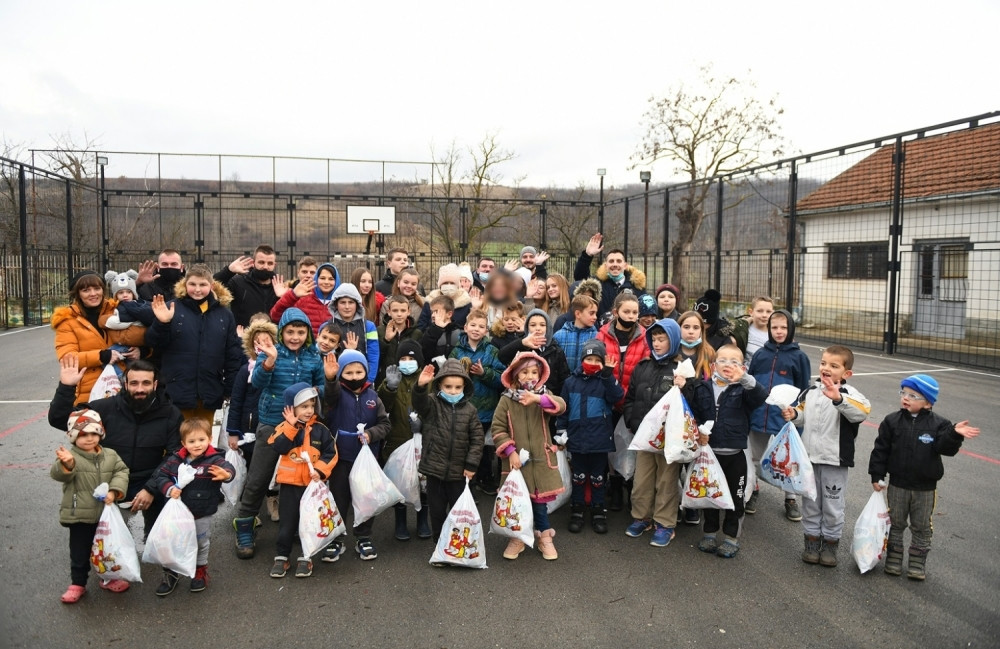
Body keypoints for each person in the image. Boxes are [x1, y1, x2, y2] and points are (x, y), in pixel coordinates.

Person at [49, 356, 182, 552]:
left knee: (162, 534)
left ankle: (154, 533)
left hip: (149, 478)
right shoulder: (104, 408)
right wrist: (66, 387)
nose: (139, 389)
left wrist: (151, 488)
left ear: (155, 384)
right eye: (134, 383)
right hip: (109, 480)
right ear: (125, 383)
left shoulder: (171, 413)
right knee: (106, 548)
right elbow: (60, 419)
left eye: (146, 383)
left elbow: (175, 455)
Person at [233, 307, 324, 559]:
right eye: (290, 331)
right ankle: (244, 526)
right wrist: (270, 361)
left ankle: (293, 526)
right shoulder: (271, 353)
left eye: (300, 331)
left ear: (307, 333)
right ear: (282, 332)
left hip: (302, 428)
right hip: (272, 424)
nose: (295, 337)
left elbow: (320, 388)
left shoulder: (313, 356)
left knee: (296, 480)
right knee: (258, 479)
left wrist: (315, 394)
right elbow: (257, 383)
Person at [869, 375, 979, 580]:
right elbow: (880, 450)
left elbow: (946, 449)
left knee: (921, 525)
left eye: (913, 395)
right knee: (896, 522)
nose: (906, 398)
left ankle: (917, 563)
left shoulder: (940, 424)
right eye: (903, 393)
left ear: (928, 402)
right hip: (898, 484)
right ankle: (893, 558)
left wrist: (954, 433)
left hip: (925, 488)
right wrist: (877, 474)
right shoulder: (892, 421)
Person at [624, 318, 712, 548]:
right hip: (645, 437)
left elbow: (692, 404)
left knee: (666, 481)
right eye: (654, 339)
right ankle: (642, 516)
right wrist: (632, 421)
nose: (657, 343)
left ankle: (665, 523)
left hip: (669, 439)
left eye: (662, 339)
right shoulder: (643, 366)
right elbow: (632, 398)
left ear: (672, 341)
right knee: (642, 480)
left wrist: (686, 385)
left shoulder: (682, 368)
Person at [782, 345, 871, 568]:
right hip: (810, 459)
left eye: (834, 365)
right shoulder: (810, 391)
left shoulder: (851, 395)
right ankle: (811, 542)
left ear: (846, 373)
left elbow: (861, 412)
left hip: (835, 461)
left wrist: (838, 398)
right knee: (811, 502)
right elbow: (802, 414)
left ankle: (830, 544)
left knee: (832, 506)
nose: (826, 368)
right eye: (823, 363)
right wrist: (794, 414)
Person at [491, 352, 567, 561]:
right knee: (517, 503)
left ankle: (544, 536)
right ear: (515, 375)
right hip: (516, 465)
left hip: (541, 462)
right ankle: (518, 537)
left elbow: (560, 406)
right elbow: (497, 428)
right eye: (524, 372)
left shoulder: (543, 396)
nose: (530, 376)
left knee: (539, 504)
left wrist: (538, 399)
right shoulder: (506, 400)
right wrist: (509, 451)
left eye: (534, 372)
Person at [146, 264, 244, 424]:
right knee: (176, 441)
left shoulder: (224, 314)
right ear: (185, 285)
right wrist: (162, 323)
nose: (197, 289)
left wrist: (230, 387)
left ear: (211, 286)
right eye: (192, 284)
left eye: (202, 285)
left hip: (209, 391)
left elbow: (232, 354)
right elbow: (155, 344)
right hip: (176, 389)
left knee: (203, 441)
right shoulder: (172, 308)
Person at [51, 409, 130, 604]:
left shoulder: (110, 455)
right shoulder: (70, 456)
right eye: (83, 434)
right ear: (72, 436)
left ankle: (108, 578)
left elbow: (122, 471)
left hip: (105, 515)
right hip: (80, 515)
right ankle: (78, 583)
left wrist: (114, 491)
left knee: (106, 550)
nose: (89, 438)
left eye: (94, 433)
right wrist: (67, 465)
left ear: (101, 433)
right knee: (80, 551)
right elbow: (58, 474)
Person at [149, 418, 234, 596]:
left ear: (209, 439)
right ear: (183, 443)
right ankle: (171, 572)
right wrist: (169, 488)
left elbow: (228, 468)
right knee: (170, 543)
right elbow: (161, 476)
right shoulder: (175, 460)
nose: (197, 445)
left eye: (201, 440)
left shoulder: (214, 460)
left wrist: (226, 475)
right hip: (176, 515)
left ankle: (199, 571)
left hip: (201, 512)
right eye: (192, 441)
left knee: (201, 542)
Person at [696, 345, 767, 559]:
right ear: (713, 365)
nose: (728, 365)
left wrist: (744, 378)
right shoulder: (703, 388)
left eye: (734, 362)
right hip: (710, 455)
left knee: (735, 498)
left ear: (743, 367)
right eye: (723, 361)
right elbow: (696, 415)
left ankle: (731, 537)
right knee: (709, 495)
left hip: (735, 455)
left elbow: (760, 396)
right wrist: (699, 433)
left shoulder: (743, 390)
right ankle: (709, 533)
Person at [324, 350, 391, 560]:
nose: (354, 377)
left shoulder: (373, 397)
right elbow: (329, 394)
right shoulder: (335, 395)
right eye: (349, 372)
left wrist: (372, 434)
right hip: (340, 458)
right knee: (338, 500)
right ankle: (336, 538)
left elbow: (385, 424)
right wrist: (331, 378)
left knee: (366, 499)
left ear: (366, 371)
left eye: (359, 371)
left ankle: (363, 537)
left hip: (366, 458)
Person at [268, 383, 338, 579]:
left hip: (311, 487)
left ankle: (306, 557)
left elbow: (331, 453)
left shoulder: (321, 430)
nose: (309, 411)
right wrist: (291, 426)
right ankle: (282, 556)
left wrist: (320, 471)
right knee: (287, 523)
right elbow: (279, 446)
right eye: (303, 406)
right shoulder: (284, 428)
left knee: (309, 523)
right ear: (291, 408)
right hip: (289, 486)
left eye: (312, 405)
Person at [747, 309, 811, 520]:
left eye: (783, 327)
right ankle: (753, 490)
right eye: (774, 327)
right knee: (754, 457)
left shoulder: (799, 357)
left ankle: (790, 498)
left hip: (784, 418)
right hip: (758, 416)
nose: (779, 331)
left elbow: (803, 391)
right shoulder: (760, 354)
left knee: (788, 459)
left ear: (790, 328)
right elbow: (752, 383)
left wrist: (796, 415)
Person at [555, 339, 623, 534]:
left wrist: (608, 375)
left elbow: (617, 397)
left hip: (599, 440)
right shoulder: (570, 382)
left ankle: (598, 510)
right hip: (577, 439)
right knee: (578, 477)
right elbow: (563, 409)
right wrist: (561, 433)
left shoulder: (605, 381)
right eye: (589, 358)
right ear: (582, 359)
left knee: (597, 478)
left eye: (596, 360)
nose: (592, 363)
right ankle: (577, 509)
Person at [414, 359, 483, 540]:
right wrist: (421, 387)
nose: (453, 391)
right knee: (436, 512)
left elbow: (477, 439)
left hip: (459, 473)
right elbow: (419, 405)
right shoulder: (432, 404)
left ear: (464, 387)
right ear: (439, 386)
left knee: (458, 511)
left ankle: (456, 544)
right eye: (448, 387)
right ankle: (439, 543)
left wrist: (471, 464)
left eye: (457, 387)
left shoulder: (470, 410)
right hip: (434, 471)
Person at [596, 292, 649, 510]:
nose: (631, 316)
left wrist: (629, 397)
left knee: (629, 446)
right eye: (626, 311)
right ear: (616, 312)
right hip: (607, 399)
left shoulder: (644, 336)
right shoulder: (602, 335)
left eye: (635, 312)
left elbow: (645, 368)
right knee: (610, 446)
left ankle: (629, 485)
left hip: (631, 401)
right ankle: (614, 487)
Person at [53, 270, 138, 403]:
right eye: (86, 290)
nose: (93, 294)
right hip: (89, 392)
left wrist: (142, 351)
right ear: (78, 294)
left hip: (124, 388)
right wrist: (102, 356)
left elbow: (140, 333)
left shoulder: (117, 310)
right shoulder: (67, 321)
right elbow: (68, 358)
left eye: (97, 288)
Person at [377, 339, 431, 541]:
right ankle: (400, 521)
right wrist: (389, 388)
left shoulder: (427, 380)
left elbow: (432, 407)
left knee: (423, 482)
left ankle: (422, 519)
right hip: (396, 440)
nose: (407, 362)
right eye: (403, 358)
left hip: (422, 442)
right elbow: (382, 407)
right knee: (398, 482)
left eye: (411, 358)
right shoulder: (392, 380)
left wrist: (423, 425)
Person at [448, 309, 505, 495]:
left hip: (487, 408)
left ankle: (486, 478)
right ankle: (468, 483)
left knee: (484, 448)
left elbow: (501, 379)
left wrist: (484, 373)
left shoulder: (492, 351)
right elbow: (447, 376)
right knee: (465, 445)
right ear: (465, 327)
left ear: (486, 330)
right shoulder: (456, 351)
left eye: (481, 326)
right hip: (464, 407)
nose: (476, 329)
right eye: (473, 325)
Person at [226, 313, 277, 482]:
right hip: (249, 427)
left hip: (272, 426)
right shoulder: (245, 370)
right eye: (258, 341)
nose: (262, 345)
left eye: (266, 341)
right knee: (250, 463)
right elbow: (236, 402)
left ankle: (270, 496)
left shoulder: (278, 367)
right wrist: (233, 431)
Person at [497, 308, 571, 404]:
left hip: (547, 401)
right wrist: (522, 342)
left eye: (542, 325)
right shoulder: (521, 345)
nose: (538, 328)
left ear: (547, 328)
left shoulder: (556, 350)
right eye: (533, 325)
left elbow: (563, 379)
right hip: (522, 400)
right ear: (527, 328)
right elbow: (502, 356)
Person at [572, 234, 647, 321]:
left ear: (625, 265)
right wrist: (587, 255)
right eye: (611, 261)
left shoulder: (637, 286)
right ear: (606, 265)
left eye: (618, 261)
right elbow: (579, 277)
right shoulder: (597, 284)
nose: (615, 264)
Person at [214, 245, 282, 328]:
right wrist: (228, 271)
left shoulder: (281, 286)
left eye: (270, 263)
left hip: (271, 338)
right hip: (243, 338)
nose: (265, 267)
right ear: (253, 263)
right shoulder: (238, 282)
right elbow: (212, 287)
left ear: (275, 265)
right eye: (261, 262)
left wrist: (284, 296)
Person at [270, 262, 341, 337]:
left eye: (331, 279)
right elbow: (275, 316)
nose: (326, 282)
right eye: (322, 278)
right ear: (316, 279)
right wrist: (292, 295)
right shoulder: (303, 297)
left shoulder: (341, 302)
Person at [329, 283, 380, 383]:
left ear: (357, 305)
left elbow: (373, 356)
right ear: (336, 304)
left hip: (362, 380)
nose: (347, 307)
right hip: (336, 382)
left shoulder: (369, 327)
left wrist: (368, 381)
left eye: (351, 302)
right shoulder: (328, 326)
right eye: (343, 302)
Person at [377, 295, 422, 386]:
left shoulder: (416, 333)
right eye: (395, 310)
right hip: (385, 379)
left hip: (408, 382)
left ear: (408, 312)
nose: (399, 314)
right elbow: (377, 357)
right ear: (389, 312)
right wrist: (386, 340)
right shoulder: (380, 331)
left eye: (403, 310)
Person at [101, 270, 150, 350]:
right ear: (116, 295)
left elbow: (118, 322)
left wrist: (131, 322)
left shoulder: (136, 305)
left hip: (132, 343)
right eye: (121, 293)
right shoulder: (114, 306)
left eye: (128, 292)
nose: (125, 295)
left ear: (133, 294)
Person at [417, 264, 472, 331]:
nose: (449, 286)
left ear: (458, 285)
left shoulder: (466, 303)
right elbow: (421, 326)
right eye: (445, 283)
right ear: (440, 285)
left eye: (452, 283)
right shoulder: (430, 301)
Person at [552, 294, 600, 371]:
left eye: (596, 313)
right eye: (591, 313)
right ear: (578, 314)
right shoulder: (559, 336)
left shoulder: (597, 337)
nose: (595, 317)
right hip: (563, 381)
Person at [420, 295, 462, 365]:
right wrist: (436, 329)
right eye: (432, 312)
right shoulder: (428, 332)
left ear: (449, 314)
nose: (433, 315)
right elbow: (424, 353)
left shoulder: (460, 333)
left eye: (436, 311)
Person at [677, 311, 716, 380]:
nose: (691, 332)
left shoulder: (709, 353)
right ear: (678, 328)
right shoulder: (671, 351)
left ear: (701, 331)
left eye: (696, 328)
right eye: (686, 327)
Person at [745, 296, 774, 362]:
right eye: (760, 311)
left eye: (768, 311)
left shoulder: (775, 334)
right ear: (751, 312)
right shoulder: (743, 330)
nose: (764, 315)